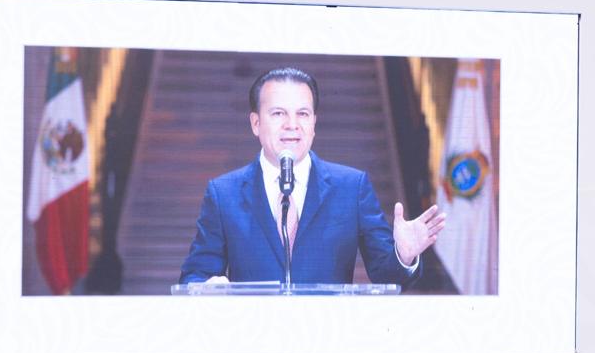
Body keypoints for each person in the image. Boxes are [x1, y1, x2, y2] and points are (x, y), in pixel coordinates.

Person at [178, 67, 446, 287]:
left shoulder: (351, 188)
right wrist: (206, 287)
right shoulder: (224, 193)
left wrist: (403, 255)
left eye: (302, 114)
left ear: (314, 124)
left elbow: (386, 275)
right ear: (255, 123)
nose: (292, 125)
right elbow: (195, 275)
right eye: (278, 113)